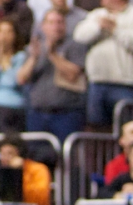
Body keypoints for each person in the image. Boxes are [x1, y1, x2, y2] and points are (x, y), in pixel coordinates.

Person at [73, 0, 133, 127]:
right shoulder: (97, 15)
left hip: (126, 85)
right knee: (96, 129)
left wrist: (115, 29)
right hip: (97, 84)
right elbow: (80, 36)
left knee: (126, 128)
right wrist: (99, 26)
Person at [20, 10, 88, 145]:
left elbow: (73, 74)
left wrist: (53, 55)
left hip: (66, 112)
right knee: (37, 157)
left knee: (65, 155)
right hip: (38, 112)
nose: (56, 27)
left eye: (60, 22)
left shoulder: (74, 45)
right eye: (51, 23)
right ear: (42, 26)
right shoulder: (35, 47)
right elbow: (21, 78)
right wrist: (34, 58)